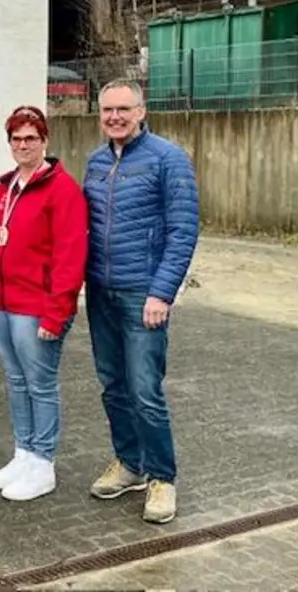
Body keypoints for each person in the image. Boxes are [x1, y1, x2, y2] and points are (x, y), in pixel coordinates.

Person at [82, 79, 199, 525]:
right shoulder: (95, 162)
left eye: (123, 109)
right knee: (112, 384)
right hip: (100, 292)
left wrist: (161, 292)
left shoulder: (168, 159)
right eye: (107, 110)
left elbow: (183, 229)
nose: (115, 117)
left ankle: (162, 478)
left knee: (145, 390)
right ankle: (130, 464)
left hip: (142, 295)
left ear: (141, 111)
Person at [0, 105, 88, 502]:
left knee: (40, 384)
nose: (23, 145)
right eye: (16, 138)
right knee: (15, 381)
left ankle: (43, 461)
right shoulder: (4, 187)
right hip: (1, 303)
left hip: (36, 306)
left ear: (45, 141)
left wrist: (57, 311)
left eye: (31, 138)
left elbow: (70, 256)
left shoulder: (63, 190)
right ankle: (23, 452)